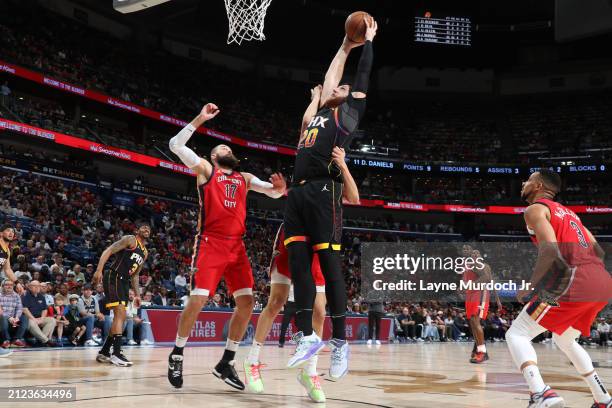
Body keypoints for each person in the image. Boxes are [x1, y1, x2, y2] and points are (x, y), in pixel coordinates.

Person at [166, 103, 286, 390]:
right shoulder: (206, 170)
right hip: (210, 242)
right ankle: (177, 354)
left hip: (237, 248)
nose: (227, 150)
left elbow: (272, 193)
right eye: (222, 148)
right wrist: (200, 119)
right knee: (199, 298)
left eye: (228, 148)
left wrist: (279, 188)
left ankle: (226, 361)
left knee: (247, 302)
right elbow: (174, 144)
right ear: (214, 156)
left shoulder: (244, 179)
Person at [283, 17, 378, 380]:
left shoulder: (348, 115)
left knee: (329, 266)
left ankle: (340, 342)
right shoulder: (320, 112)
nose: (338, 85)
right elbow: (331, 75)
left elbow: (363, 76)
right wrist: (343, 46)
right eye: (335, 87)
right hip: (298, 191)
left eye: (343, 86)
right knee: (299, 266)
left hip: (326, 189)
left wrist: (366, 42)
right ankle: (308, 336)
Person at [506, 169, 612, 408]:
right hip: (602, 281)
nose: (524, 183)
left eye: (529, 179)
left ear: (539, 185)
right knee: (564, 339)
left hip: (575, 280)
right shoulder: (572, 215)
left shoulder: (535, 209)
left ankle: (540, 393)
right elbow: (599, 251)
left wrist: (530, 287)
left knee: (517, 333)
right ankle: (603, 398)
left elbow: (550, 249)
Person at [93, 222, 150, 366]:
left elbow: (135, 276)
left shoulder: (145, 252)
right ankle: (117, 353)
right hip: (114, 276)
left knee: (122, 317)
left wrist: (137, 295)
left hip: (125, 281)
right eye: (143, 227)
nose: (146, 229)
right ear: (137, 230)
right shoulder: (130, 239)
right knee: (120, 315)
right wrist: (99, 270)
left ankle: (104, 352)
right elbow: (109, 250)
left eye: (149, 228)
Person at [21, 280, 56, 346]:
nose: (37, 287)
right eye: (35, 286)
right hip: (28, 318)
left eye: (38, 286)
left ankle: (40, 341)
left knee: (52, 320)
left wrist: (42, 318)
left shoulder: (41, 296)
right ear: (30, 287)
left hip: (39, 318)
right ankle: (46, 340)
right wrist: (34, 319)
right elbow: (25, 309)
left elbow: (44, 310)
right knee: (31, 322)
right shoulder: (25, 295)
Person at [0, 279, 27, 347]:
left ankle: (16, 340)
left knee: (24, 318)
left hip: (13, 317)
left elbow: (19, 308)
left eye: (11, 285)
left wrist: (17, 317)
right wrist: (9, 317)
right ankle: (6, 340)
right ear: (2, 286)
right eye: (7, 285)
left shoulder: (16, 296)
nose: (9, 286)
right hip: (2, 317)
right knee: (3, 317)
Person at [0, 225, 23, 295]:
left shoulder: (7, 251)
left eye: (12, 231)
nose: (11, 233)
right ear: (1, 233)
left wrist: (17, 283)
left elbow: (7, 270)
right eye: (8, 230)